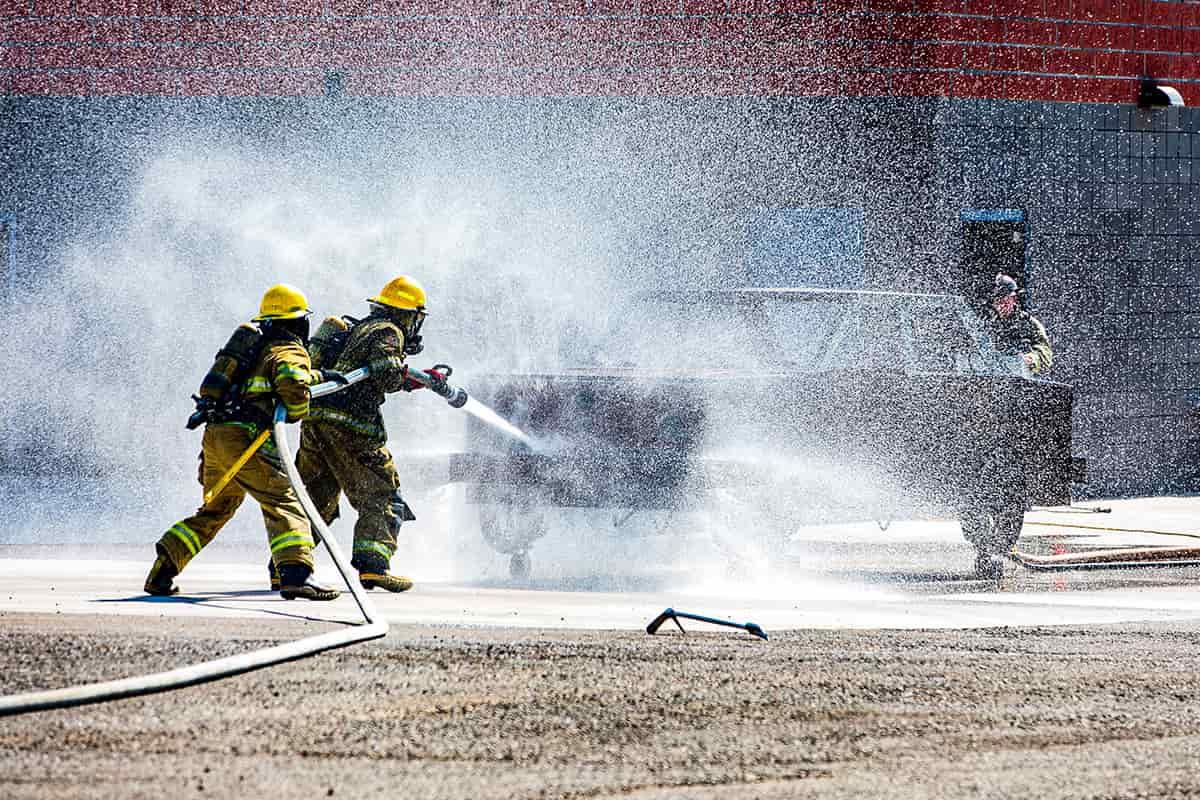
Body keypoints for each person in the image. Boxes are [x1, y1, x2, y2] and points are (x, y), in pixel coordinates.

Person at [143, 284, 341, 602]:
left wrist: (318, 377)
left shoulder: (254, 352)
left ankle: (162, 572)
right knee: (285, 501)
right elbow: (292, 382)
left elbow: (275, 380)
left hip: (215, 438)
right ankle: (296, 576)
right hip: (247, 440)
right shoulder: (288, 349)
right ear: (298, 322)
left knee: (216, 509)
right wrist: (298, 409)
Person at [286, 275, 446, 593]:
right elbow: (387, 374)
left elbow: (376, 370)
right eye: (415, 317)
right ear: (406, 314)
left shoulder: (358, 329)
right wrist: (420, 379)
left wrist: (415, 378)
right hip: (352, 427)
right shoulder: (388, 330)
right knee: (382, 496)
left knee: (316, 499)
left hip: (316, 422)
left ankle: (288, 568)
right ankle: (374, 567)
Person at [986, 273, 1052, 375]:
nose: (1001, 305)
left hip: (1026, 378)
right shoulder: (990, 326)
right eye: (997, 301)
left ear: (1014, 299)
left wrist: (1032, 359)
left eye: (1005, 300)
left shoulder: (1030, 324)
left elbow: (1046, 353)